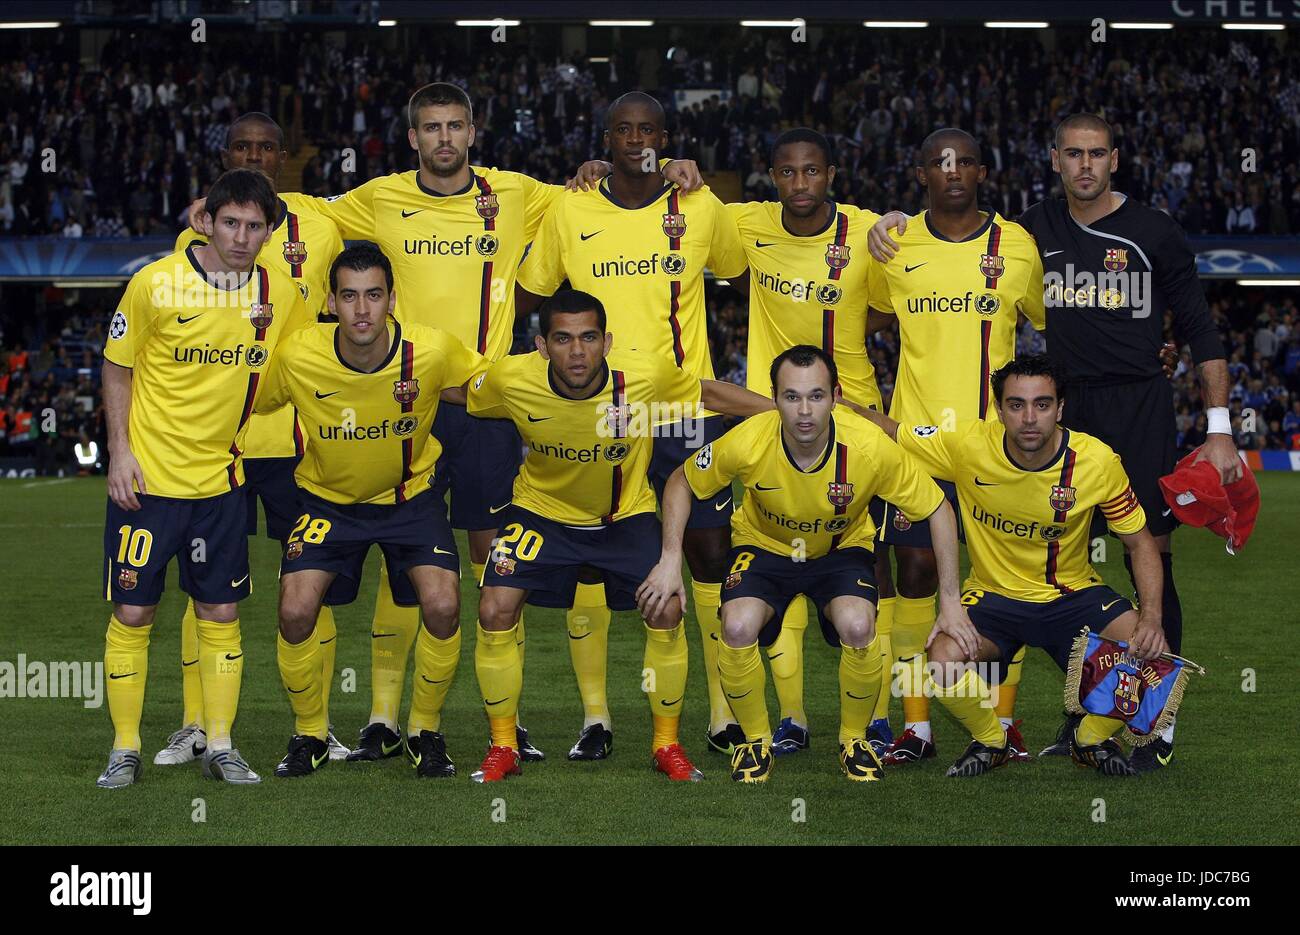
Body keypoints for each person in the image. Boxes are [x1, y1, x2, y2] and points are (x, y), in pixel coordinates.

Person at [191, 83, 701, 764]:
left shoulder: (516, 193)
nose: (444, 139)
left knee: (492, 566)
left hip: (480, 400)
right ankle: (380, 715)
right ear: (413, 137)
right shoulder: (379, 197)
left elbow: (596, 189)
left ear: (472, 130)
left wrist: (648, 167)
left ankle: (506, 723)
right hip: (402, 396)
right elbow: (304, 211)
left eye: (455, 126)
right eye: (431, 128)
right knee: (401, 560)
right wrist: (218, 205)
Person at [869, 113, 1234, 771]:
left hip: (1110, 408)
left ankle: (1149, 716)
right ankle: (981, 724)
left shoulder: (1127, 233)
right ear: (1056, 160)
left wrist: (1213, 421)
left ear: (1114, 158)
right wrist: (888, 218)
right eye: (1073, 153)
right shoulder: (1022, 231)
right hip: (1012, 421)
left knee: (1143, 548)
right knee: (984, 566)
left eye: (1097, 154)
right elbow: (928, 250)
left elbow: (1186, 325)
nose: (1086, 165)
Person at [514, 92, 749, 761]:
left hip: (683, 411)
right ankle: (596, 719)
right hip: (598, 415)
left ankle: (722, 714)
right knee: (591, 561)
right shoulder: (571, 205)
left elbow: (733, 268)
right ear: (605, 139)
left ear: (665, 137)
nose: (636, 139)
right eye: (624, 129)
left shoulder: (699, 204)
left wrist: (691, 173)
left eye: (649, 129)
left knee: (706, 557)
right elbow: (532, 291)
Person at [463, 289, 772, 783]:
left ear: (607, 341)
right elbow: (459, 392)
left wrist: (779, 410)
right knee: (494, 607)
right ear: (541, 346)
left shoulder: (645, 376)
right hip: (541, 513)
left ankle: (666, 745)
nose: (577, 352)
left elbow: (708, 393)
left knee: (668, 606)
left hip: (625, 517)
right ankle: (502, 747)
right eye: (563, 339)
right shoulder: (510, 378)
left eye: (588, 338)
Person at [641, 346, 963, 783]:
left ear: (836, 396)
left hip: (839, 551)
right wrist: (669, 557)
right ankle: (755, 743)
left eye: (816, 396)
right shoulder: (750, 439)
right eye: (791, 397)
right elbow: (681, 480)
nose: (805, 411)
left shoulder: (868, 447)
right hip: (765, 547)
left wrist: (950, 601)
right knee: (735, 627)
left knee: (858, 624)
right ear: (774, 399)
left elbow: (937, 508)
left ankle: (854, 740)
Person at [97, 168, 310, 788]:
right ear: (206, 222)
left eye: (255, 226)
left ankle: (219, 744)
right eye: (231, 223)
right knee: (134, 616)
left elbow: (297, 366)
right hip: (147, 485)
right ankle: (125, 747)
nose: (242, 237)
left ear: (270, 232)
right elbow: (116, 367)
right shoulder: (154, 284)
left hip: (221, 485)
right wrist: (119, 453)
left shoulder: (280, 296)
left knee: (219, 612)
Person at [856, 355, 1166, 777]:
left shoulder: (1096, 461)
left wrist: (1152, 616)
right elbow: (893, 430)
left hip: (1072, 595)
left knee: (1157, 660)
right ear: (999, 409)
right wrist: (833, 407)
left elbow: (1140, 542)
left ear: (1060, 408)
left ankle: (1090, 738)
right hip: (992, 596)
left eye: (1042, 404)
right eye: (1016, 405)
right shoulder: (968, 445)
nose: (1029, 417)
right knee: (942, 661)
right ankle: (992, 740)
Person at [158, 111, 349, 769]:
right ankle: (196, 725)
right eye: (243, 146)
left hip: (301, 438)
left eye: (268, 147)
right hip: (221, 443)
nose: (256, 155)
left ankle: (316, 727)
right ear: (226, 153)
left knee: (309, 578)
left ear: (285, 155)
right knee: (205, 587)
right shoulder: (197, 230)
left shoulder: (324, 221)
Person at [254, 245, 485, 778]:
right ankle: (309, 733)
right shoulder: (297, 356)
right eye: (351, 296)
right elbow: (253, 400)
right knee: (293, 611)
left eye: (374, 295)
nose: (362, 309)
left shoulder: (429, 351)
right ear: (331, 302)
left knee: (445, 606)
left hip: (411, 500)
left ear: (392, 301)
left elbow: (486, 386)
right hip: (327, 504)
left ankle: (426, 731)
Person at [864, 129, 1046, 766]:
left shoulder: (1018, 246)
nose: (953, 173)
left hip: (998, 450)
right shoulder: (895, 242)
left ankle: (1001, 722)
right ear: (921, 174)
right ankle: (916, 726)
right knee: (914, 578)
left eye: (965, 161)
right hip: (916, 446)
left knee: (1009, 582)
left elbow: (1059, 323)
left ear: (983, 171)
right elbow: (866, 316)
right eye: (940, 163)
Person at [722, 127, 889, 758]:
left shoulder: (872, 230)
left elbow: (894, 302)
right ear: (772, 176)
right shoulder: (748, 223)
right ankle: (790, 720)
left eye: (812, 171)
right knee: (781, 550)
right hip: (775, 415)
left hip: (856, 413)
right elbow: (673, 210)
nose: (800, 184)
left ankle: (872, 718)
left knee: (868, 565)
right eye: (788, 172)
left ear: (832, 174)